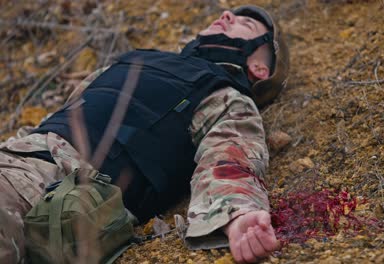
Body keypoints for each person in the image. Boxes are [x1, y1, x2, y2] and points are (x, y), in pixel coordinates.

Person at [0, 5, 289, 264]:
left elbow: (229, 159)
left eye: (245, 25)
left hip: (56, 180)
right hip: (18, 159)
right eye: (228, 13)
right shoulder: (129, 63)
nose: (225, 15)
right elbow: (61, 118)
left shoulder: (224, 96)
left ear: (259, 68)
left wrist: (237, 215)